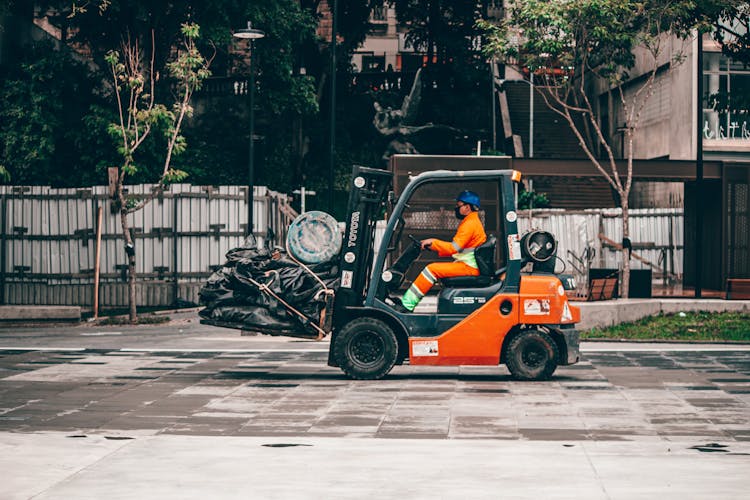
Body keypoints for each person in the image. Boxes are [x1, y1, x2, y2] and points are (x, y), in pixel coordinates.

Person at [399, 190, 487, 312]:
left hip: (469, 267)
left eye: (458, 205)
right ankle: (407, 303)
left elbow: (453, 248)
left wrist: (433, 242)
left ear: (467, 207)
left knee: (431, 269)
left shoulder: (470, 224)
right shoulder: (471, 222)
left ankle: (406, 306)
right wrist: (433, 244)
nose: (456, 208)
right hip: (468, 265)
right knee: (434, 268)